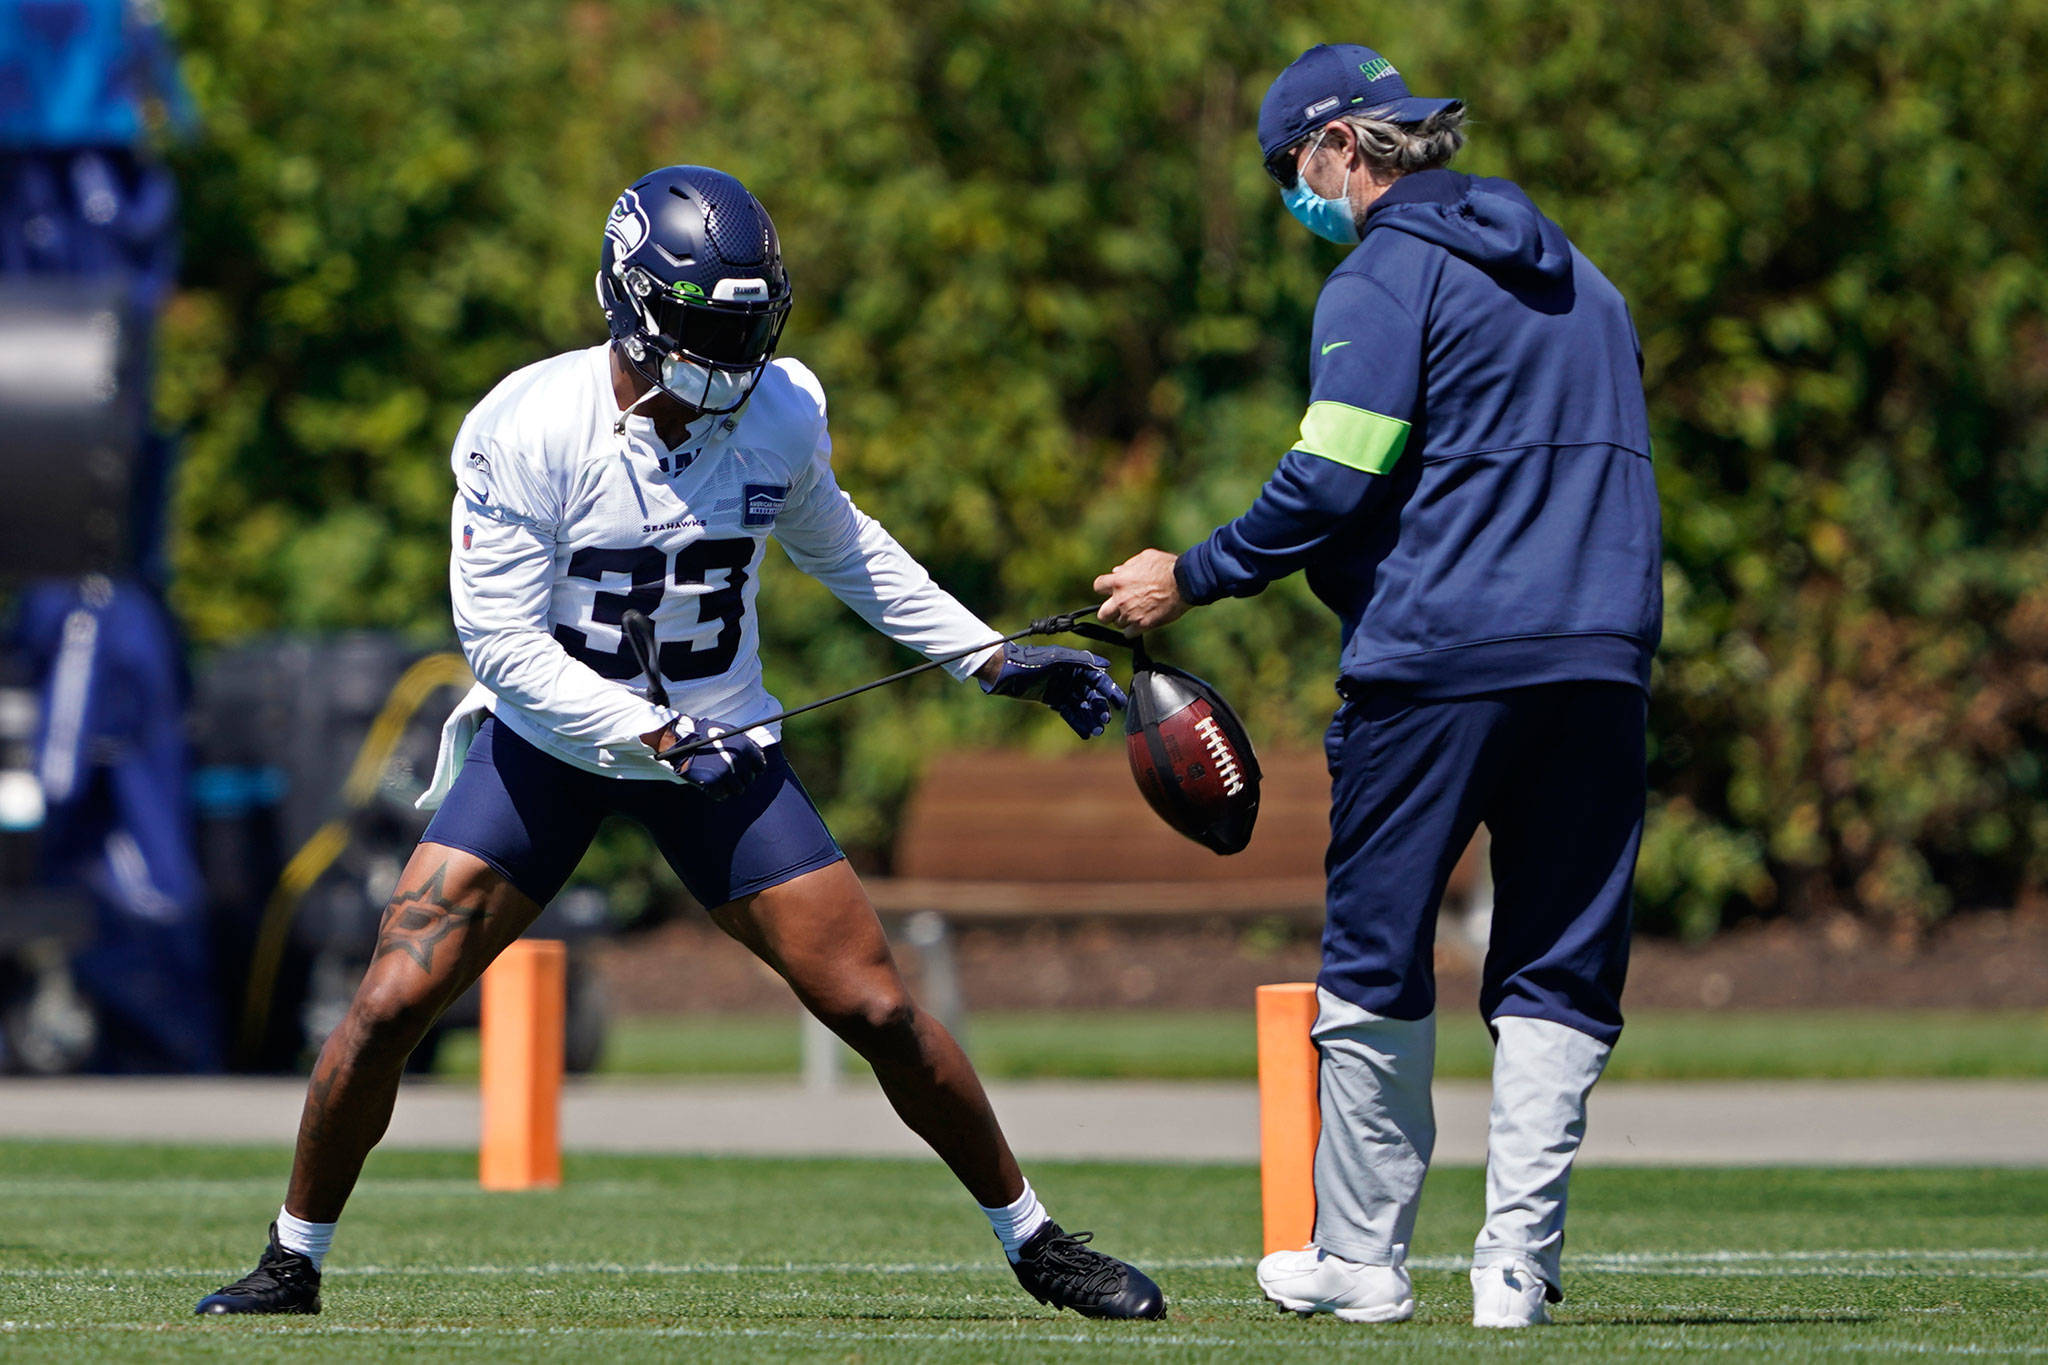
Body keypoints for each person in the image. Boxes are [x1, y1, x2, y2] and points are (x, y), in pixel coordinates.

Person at [196, 165, 1165, 1322]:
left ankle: (1036, 1243)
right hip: (552, 745)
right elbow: (501, 645)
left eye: (752, 323)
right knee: (392, 1003)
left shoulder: (779, 408)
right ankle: (291, 1260)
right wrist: (646, 729)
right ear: (631, 304)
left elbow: (844, 547)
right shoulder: (525, 428)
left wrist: (989, 657)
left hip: (722, 746)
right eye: (709, 325)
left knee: (876, 1010)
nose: (736, 352)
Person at [1095, 43, 1661, 1329]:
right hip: (1601, 656)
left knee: (1372, 950)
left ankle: (1359, 1259)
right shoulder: (1586, 279)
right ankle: (1516, 1270)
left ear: (1342, 146)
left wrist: (1188, 575)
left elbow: (1330, 480)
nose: (1293, 196)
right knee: (1557, 968)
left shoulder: (1383, 273)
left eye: (1289, 168)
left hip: (1439, 663)